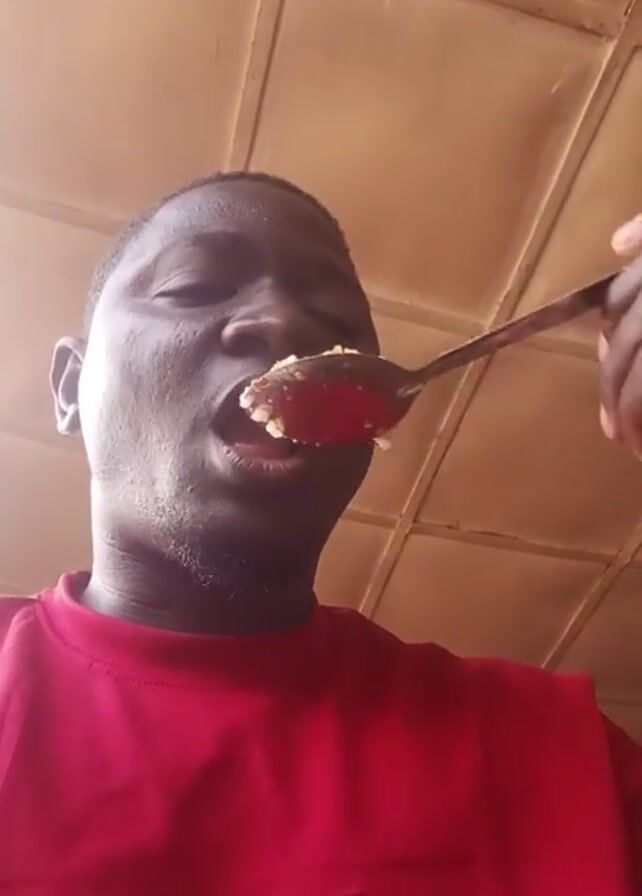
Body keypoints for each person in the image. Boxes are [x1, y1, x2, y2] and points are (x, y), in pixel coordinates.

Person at [0, 172, 640, 895]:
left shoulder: (557, 754)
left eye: (337, 320)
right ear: (70, 387)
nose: (286, 323)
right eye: (191, 287)